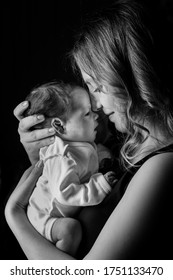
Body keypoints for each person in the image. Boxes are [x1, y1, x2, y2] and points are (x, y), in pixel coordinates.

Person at [5, 0, 173, 259]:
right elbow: (68, 200)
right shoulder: (120, 150)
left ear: (129, 76)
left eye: (96, 87)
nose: (94, 105)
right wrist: (44, 161)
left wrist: (15, 215)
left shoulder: (162, 167)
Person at [22, 81, 116, 256]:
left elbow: (93, 153)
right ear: (59, 126)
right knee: (70, 230)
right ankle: (61, 266)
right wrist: (100, 185)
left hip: (58, 213)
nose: (96, 115)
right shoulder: (60, 157)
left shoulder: (81, 145)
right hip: (45, 216)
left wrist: (104, 157)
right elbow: (65, 193)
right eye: (87, 113)